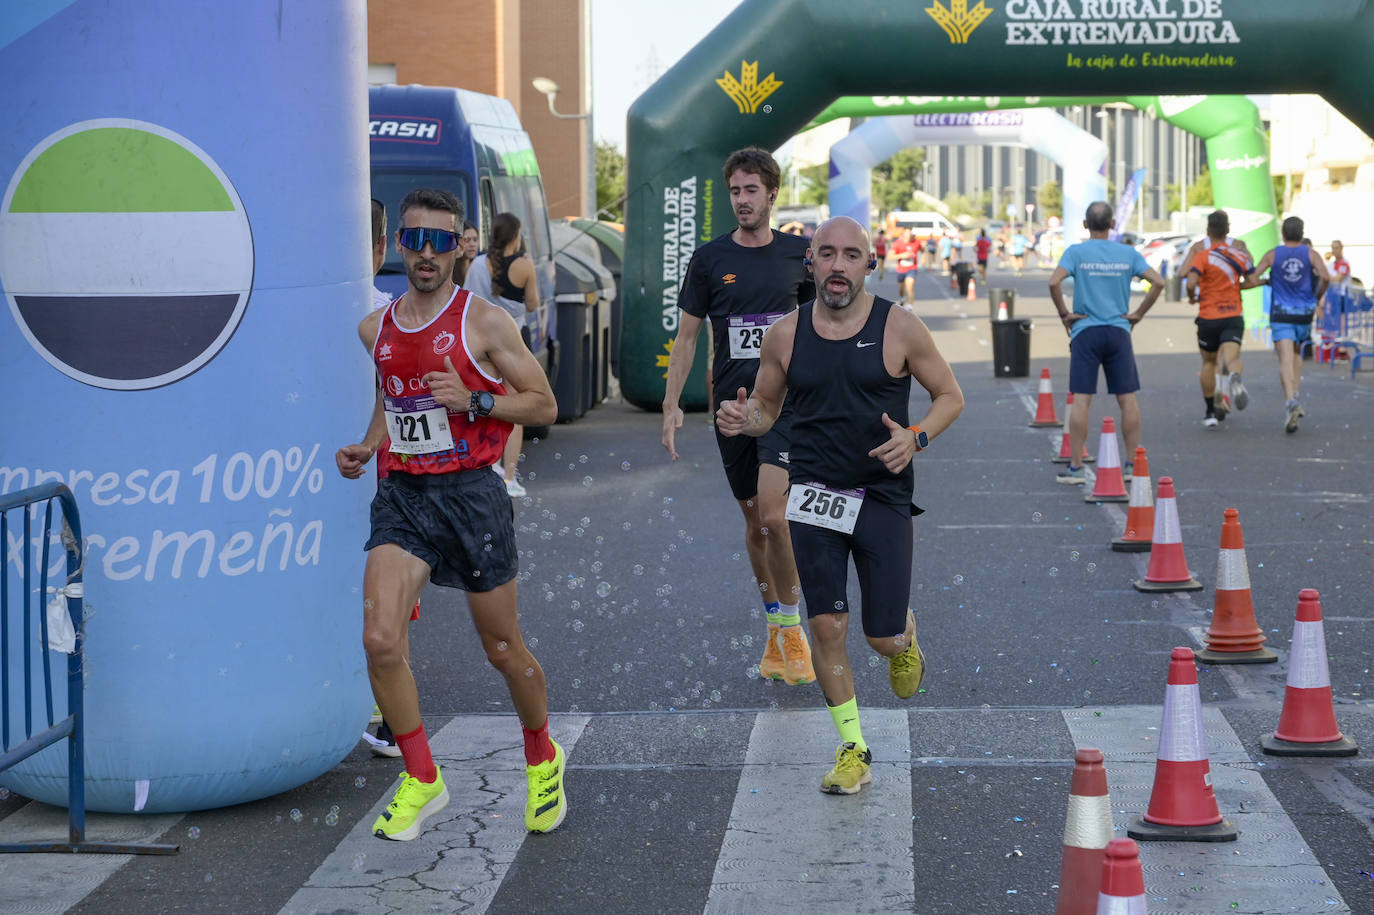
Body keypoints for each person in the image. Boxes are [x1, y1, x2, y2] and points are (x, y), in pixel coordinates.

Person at [335, 187, 566, 841]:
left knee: (501, 647)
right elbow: (395, 392)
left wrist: (475, 400)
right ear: (400, 245)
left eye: (442, 240)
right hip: (405, 494)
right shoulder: (373, 329)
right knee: (380, 637)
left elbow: (542, 404)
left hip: (471, 494)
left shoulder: (484, 321)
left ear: (460, 244)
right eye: (417, 239)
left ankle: (542, 753)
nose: (428, 253)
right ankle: (421, 775)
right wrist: (371, 443)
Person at [715, 216, 964, 794]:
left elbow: (950, 395)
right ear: (812, 263)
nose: (837, 265)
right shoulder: (785, 334)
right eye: (826, 254)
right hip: (815, 495)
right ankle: (853, 747)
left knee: (879, 639)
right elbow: (767, 411)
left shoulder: (901, 327)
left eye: (851, 255)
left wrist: (917, 436)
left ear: (869, 265)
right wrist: (742, 419)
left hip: (881, 494)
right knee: (826, 625)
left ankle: (902, 633)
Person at [662, 146, 817, 687]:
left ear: (772, 194)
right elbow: (686, 338)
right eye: (735, 191)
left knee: (777, 517)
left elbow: (830, 326)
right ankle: (775, 624)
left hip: (786, 407)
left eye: (752, 190)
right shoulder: (709, 260)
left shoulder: (802, 255)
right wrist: (671, 403)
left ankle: (793, 629)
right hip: (732, 409)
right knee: (755, 521)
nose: (743, 200)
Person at [1049, 202, 1165, 484]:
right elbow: (1158, 282)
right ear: (1113, 224)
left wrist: (1065, 314)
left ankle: (1077, 467)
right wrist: (1137, 314)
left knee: (1081, 399)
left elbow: (1054, 283)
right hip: (1118, 331)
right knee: (1127, 399)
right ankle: (1129, 465)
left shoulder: (1076, 252)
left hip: (1085, 331)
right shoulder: (1127, 253)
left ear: (1086, 226)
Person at [463, 213, 541, 498]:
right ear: (516, 236)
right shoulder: (524, 265)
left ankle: (488, 466)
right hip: (513, 346)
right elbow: (533, 304)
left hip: (480, 346)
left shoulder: (477, 266)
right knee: (515, 409)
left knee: (485, 406)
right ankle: (510, 477)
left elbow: (467, 304)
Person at [1253, 216, 1330, 433]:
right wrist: (1317, 296)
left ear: (1284, 234)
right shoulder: (1310, 254)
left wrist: (1265, 281)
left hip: (1282, 313)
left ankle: (1290, 402)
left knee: (1285, 358)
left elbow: (1252, 278)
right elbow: (1325, 277)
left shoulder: (1273, 254)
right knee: (1296, 353)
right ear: (1301, 233)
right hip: (1304, 313)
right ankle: (1295, 393)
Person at [1185, 210, 1260, 428]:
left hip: (1208, 316)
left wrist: (1193, 297)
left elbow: (1190, 283)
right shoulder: (1240, 255)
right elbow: (1253, 280)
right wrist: (1241, 286)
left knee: (1209, 362)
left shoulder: (1203, 255)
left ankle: (1209, 413)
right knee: (1231, 358)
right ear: (1228, 231)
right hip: (1232, 316)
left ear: (1208, 231)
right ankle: (1235, 377)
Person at [892, 229, 919, 307]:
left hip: (912, 268)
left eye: (910, 234)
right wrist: (902, 256)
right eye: (907, 234)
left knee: (910, 288)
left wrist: (923, 257)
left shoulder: (916, 242)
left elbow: (922, 250)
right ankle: (902, 297)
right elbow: (890, 256)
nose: (909, 236)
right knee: (901, 289)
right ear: (904, 235)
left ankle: (909, 308)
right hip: (901, 269)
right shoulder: (897, 243)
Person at [451, 220, 479, 287]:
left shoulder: (479, 269)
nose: (472, 244)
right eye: (467, 240)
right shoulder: (450, 271)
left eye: (475, 240)